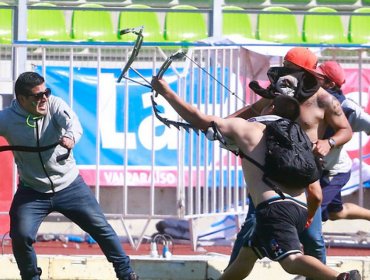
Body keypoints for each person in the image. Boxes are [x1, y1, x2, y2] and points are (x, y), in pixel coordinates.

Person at [151, 76, 360, 280]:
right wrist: (307, 218)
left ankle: (341, 277)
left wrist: (167, 92)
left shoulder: (248, 129)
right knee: (247, 256)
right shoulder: (303, 140)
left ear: (270, 106)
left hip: (273, 208)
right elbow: (316, 193)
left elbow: (198, 118)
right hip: (299, 210)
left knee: (291, 261)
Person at [0, 72, 138, 280]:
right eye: (37, 96)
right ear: (22, 99)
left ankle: (127, 274)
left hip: (70, 186)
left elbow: (74, 123)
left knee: (102, 229)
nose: (44, 98)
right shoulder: (6, 119)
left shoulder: (55, 104)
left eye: (46, 92)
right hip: (32, 191)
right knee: (20, 236)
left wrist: (70, 136)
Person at [227, 47, 353, 266]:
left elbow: (346, 130)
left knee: (312, 237)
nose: (285, 73)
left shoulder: (325, 100)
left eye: (291, 69)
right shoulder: (278, 94)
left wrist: (328, 142)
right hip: (270, 169)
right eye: (284, 67)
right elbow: (246, 112)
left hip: (303, 173)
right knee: (251, 224)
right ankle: (231, 271)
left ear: (306, 73)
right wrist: (217, 125)